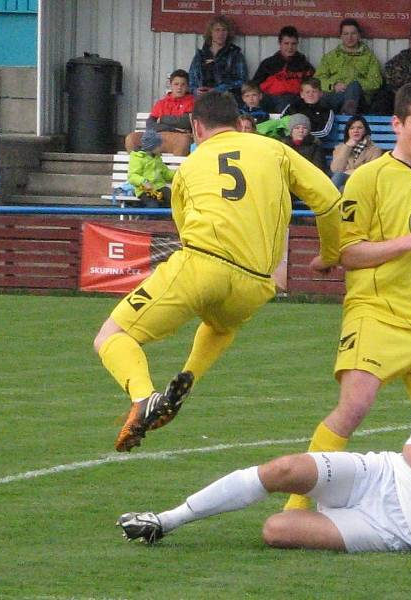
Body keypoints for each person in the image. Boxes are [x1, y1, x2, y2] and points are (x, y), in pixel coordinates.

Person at [93, 91, 341, 453]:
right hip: (255, 284)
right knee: (220, 325)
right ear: (240, 122)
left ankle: (144, 396)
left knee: (112, 335)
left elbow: (182, 230)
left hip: (203, 264)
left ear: (196, 126)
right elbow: (329, 200)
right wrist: (329, 254)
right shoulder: (273, 149)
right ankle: (190, 374)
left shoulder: (190, 168)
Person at [118, 380, 411, 559]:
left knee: (276, 529)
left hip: (394, 531)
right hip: (381, 473)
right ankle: (166, 520)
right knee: (283, 468)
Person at [284, 81, 411, 511]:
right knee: (353, 409)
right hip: (376, 313)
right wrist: (404, 243)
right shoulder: (366, 179)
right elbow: (348, 254)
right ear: (397, 124)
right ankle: (297, 507)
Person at [315, 18, 382, 115]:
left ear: (359, 35)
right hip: (336, 96)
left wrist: (352, 87)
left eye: (353, 34)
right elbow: (317, 79)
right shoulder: (331, 56)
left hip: (360, 101)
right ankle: (347, 114)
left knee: (354, 86)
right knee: (322, 99)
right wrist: (333, 85)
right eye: (346, 34)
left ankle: (347, 116)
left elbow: (376, 82)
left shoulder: (369, 57)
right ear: (340, 36)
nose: (349, 37)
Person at [125, 70, 195, 157]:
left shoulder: (192, 101)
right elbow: (150, 124)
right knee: (131, 139)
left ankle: (175, 170)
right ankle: (141, 168)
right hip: (158, 137)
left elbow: (186, 122)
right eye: (176, 84)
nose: (179, 87)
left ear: (187, 86)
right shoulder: (161, 103)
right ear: (170, 85)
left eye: (183, 84)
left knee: (184, 141)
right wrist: (173, 128)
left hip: (179, 138)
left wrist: (162, 119)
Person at [250, 26, 315, 114]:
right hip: (269, 99)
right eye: (286, 43)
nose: (290, 47)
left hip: (293, 100)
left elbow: (312, 86)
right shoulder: (268, 63)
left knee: (286, 101)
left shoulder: (304, 65)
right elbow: (254, 86)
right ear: (279, 43)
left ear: (297, 44)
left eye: (293, 44)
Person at [188, 15, 248, 100]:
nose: (221, 33)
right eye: (217, 30)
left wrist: (218, 90)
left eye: (224, 30)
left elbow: (243, 81)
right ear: (210, 32)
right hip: (203, 102)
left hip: (227, 102)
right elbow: (191, 80)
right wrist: (195, 91)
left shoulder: (235, 55)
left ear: (228, 33)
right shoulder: (200, 56)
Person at [329, 115, 383, 190]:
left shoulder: (375, 150)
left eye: (359, 128)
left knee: (341, 185)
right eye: (352, 128)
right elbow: (336, 170)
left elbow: (370, 173)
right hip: (343, 183)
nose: (355, 131)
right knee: (340, 180)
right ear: (348, 132)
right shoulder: (339, 148)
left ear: (365, 130)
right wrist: (347, 147)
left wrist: (348, 172)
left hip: (363, 183)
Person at [127, 130, 174, 211]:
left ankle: (168, 220)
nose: (161, 147)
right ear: (152, 147)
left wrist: (177, 174)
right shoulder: (138, 158)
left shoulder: (157, 158)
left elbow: (165, 173)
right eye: (159, 146)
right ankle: (151, 222)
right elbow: (132, 176)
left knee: (171, 197)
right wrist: (143, 182)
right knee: (153, 205)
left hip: (159, 187)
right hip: (144, 189)